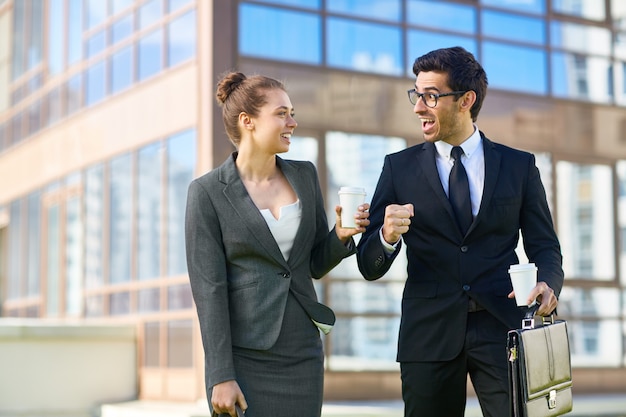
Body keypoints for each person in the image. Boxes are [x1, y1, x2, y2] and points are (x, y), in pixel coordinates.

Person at [356, 46, 564, 417]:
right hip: (429, 332)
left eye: (431, 96)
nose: (419, 106)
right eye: (416, 95)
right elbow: (369, 265)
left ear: (466, 100)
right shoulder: (397, 169)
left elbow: (545, 247)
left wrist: (548, 283)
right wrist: (386, 237)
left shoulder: (519, 167)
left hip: (504, 328)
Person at [185, 71, 370, 417]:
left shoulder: (304, 174)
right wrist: (220, 376)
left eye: (293, 112)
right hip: (244, 357)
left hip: (302, 351)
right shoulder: (207, 192)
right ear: (248, 121)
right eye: (281, 113)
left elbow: (312, 263)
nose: (293, 122)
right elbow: (209, 291)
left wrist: (341, 237)